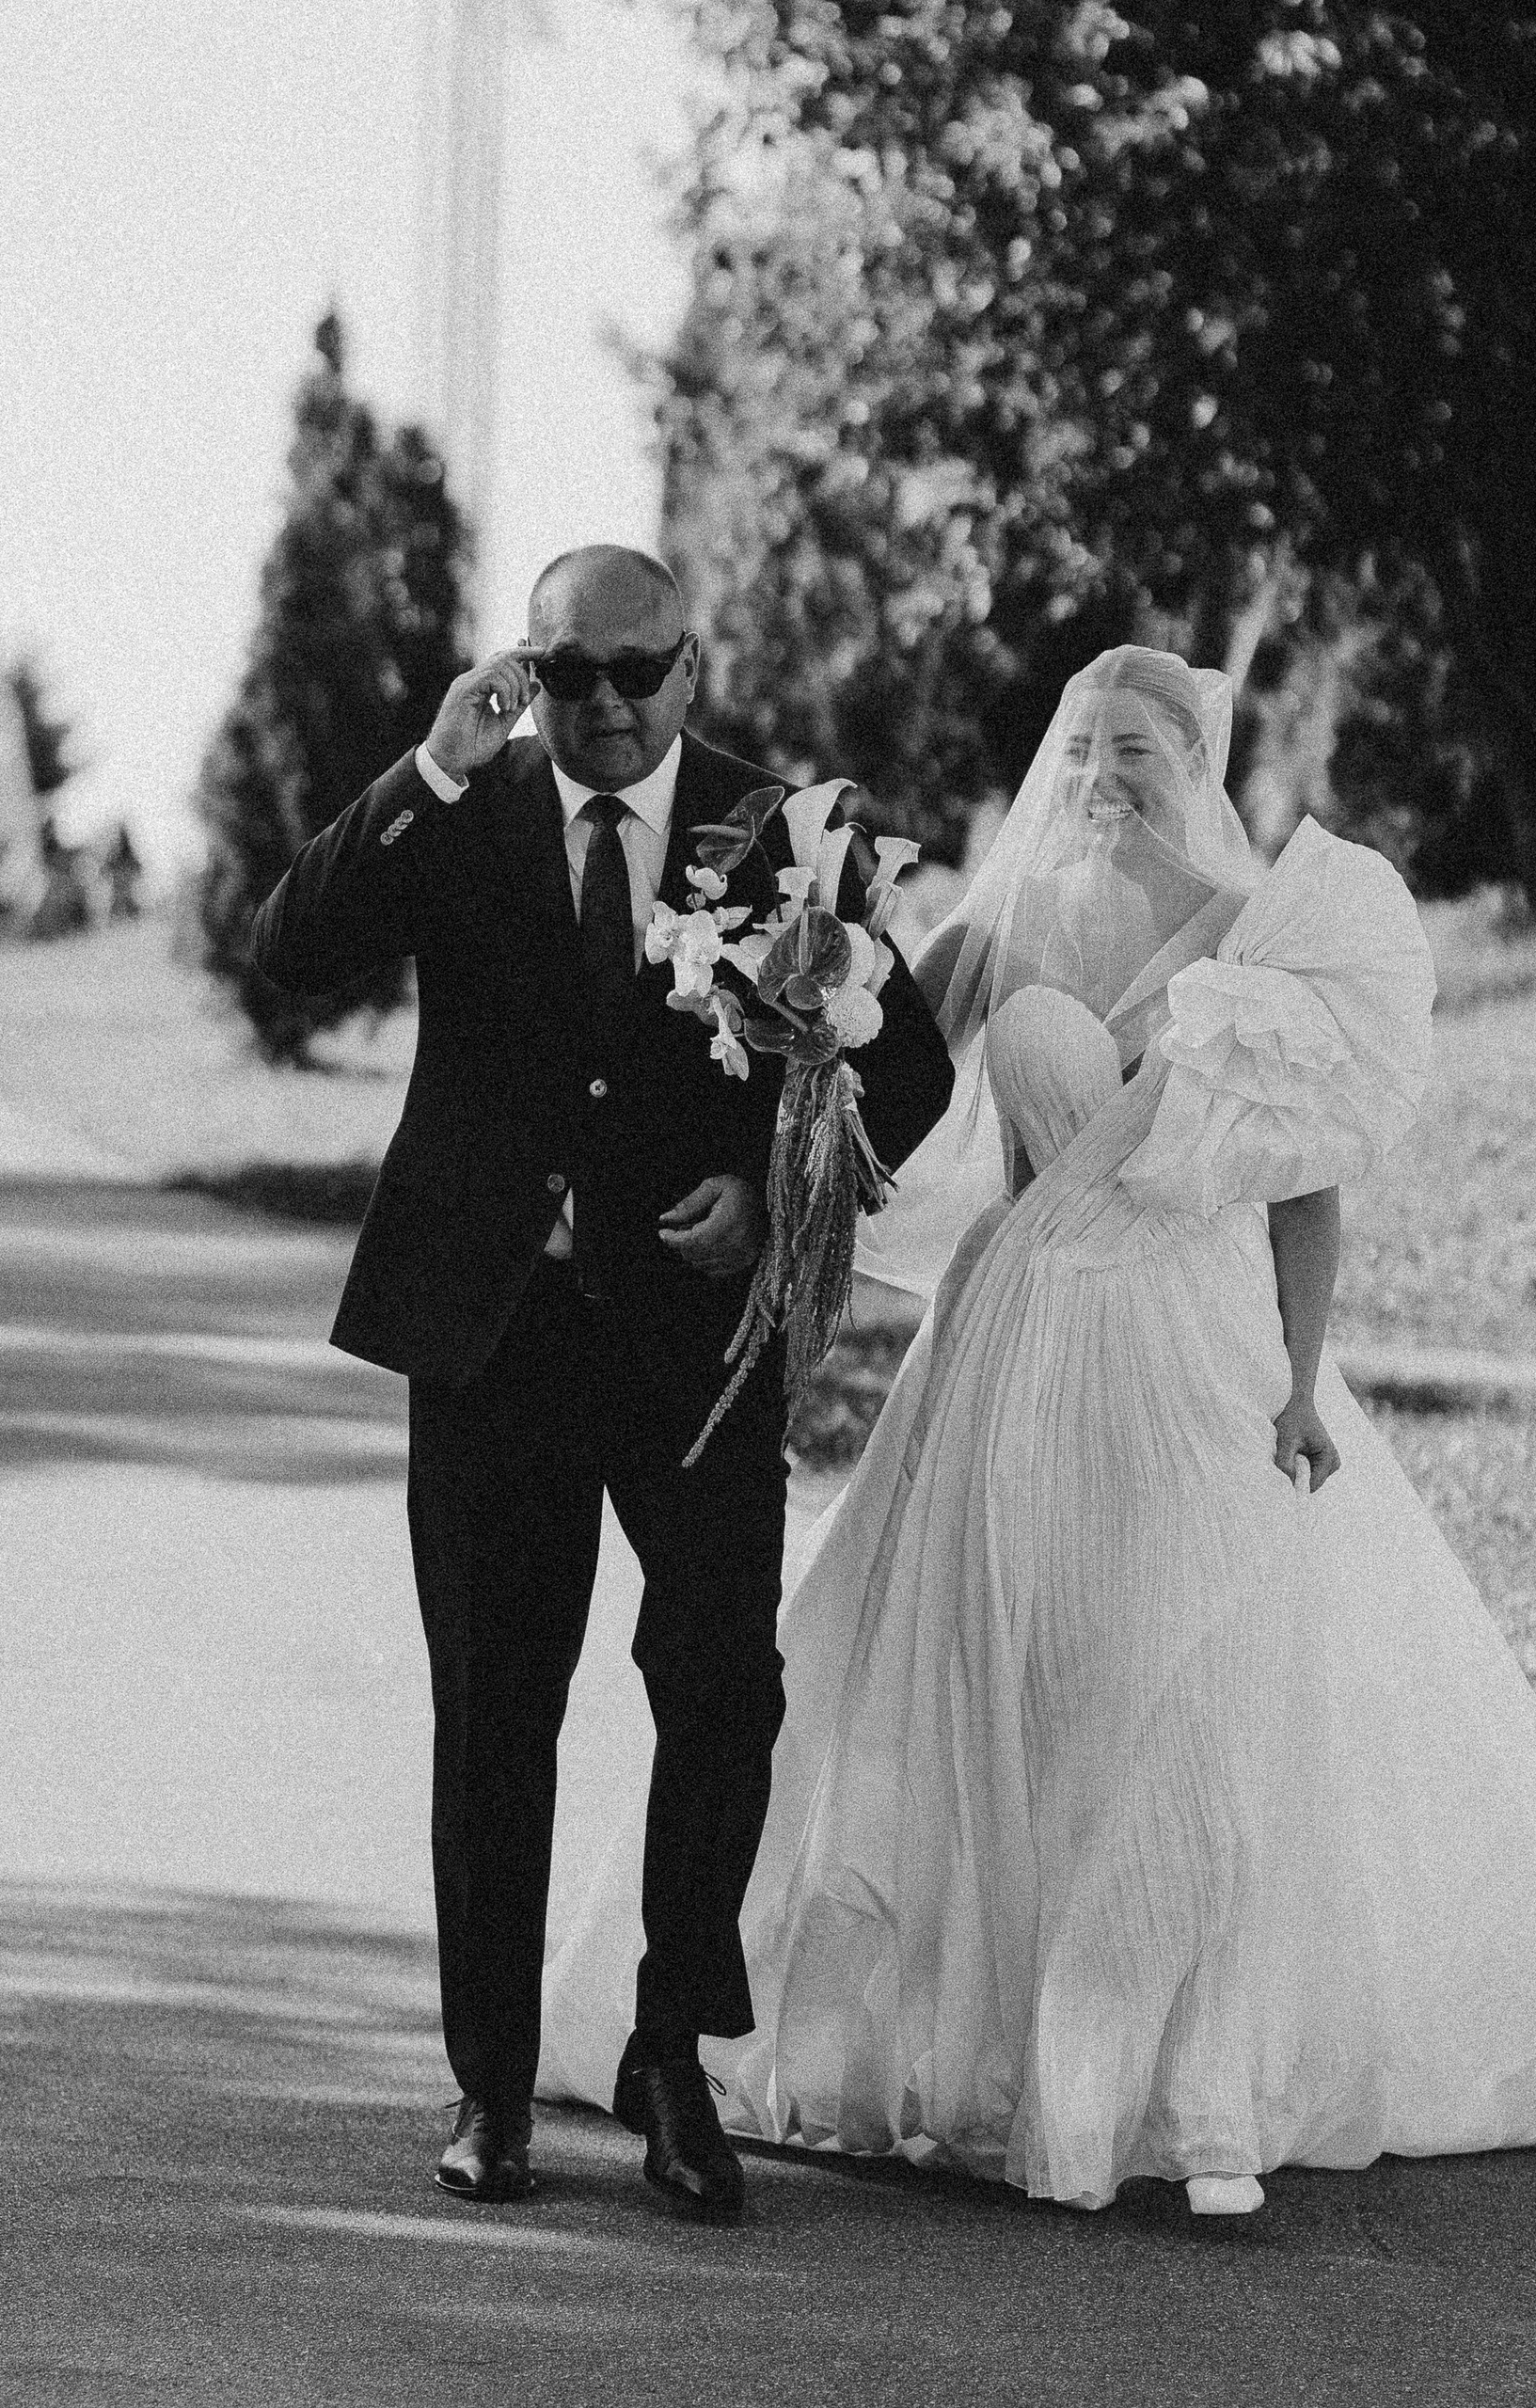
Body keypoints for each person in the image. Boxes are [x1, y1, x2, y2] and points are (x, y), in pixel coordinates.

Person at [538, 645, 1536, 2213]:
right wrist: (788, 1048)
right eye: (1081, 745)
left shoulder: (1262, 933)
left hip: (1194, 1342)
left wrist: (1302, 1385)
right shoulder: (1007, 920)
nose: (1099, 774)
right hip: (1017, 1333)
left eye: (1135, 749)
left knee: (1183, 1685)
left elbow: (1303, 1192)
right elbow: (872, 1058)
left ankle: (1179, 2086)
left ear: (1195, 762)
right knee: (1006, 1676)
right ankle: (996, 2053)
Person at [252, 545, 955, 2219]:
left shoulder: (779, 836)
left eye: (639, 672)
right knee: (499, 1710)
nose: (608, 706)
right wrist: (431, 765)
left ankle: (671, 2058)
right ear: (527, 671)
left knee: (721, 1690)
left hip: (690, 1350)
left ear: (691, 668)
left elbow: (910, 1067)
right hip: (491, 1337)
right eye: (570, 674)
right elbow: (292, 947)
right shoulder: (465, 807)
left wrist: (776, 1192)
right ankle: (491, 2087)